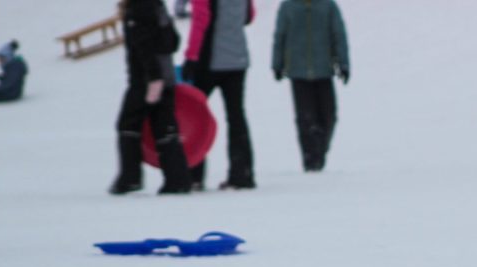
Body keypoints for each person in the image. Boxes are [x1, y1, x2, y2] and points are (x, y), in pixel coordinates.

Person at [109, 0, 192, 195]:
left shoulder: (138, 8)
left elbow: (143, 45)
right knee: (164, 127)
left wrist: (153, 77)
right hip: (166, 76)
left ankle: (130, 177)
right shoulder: (158, 6)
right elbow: (173, 41)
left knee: (128, 124)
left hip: (145, 78)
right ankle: (178, 178)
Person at [182, 0, 257, 190]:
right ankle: (242, 173)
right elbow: (249, 16)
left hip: (209, 60)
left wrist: (191, 56)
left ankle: (194, 175)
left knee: (197, 117)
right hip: (237, 59)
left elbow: (200, 19)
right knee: (236, 116)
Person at [271, 0, 350, 172]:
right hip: (298, 73)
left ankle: (320, 150)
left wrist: (343, 64)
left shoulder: (328, 6)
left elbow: (338, 34)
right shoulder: (288, 6)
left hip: (324, 70)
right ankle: (311, 159)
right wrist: (277, 64)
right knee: (305, 119)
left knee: (329, 116)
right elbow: (280, 35)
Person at [0, 40, 28, 104]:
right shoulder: (12, 65)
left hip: (10, 93)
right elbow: (11, 77)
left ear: (7, 57)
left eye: (1, 59)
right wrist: (2, 77)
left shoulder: (15, 65)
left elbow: (12, 80)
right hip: (9, 92)